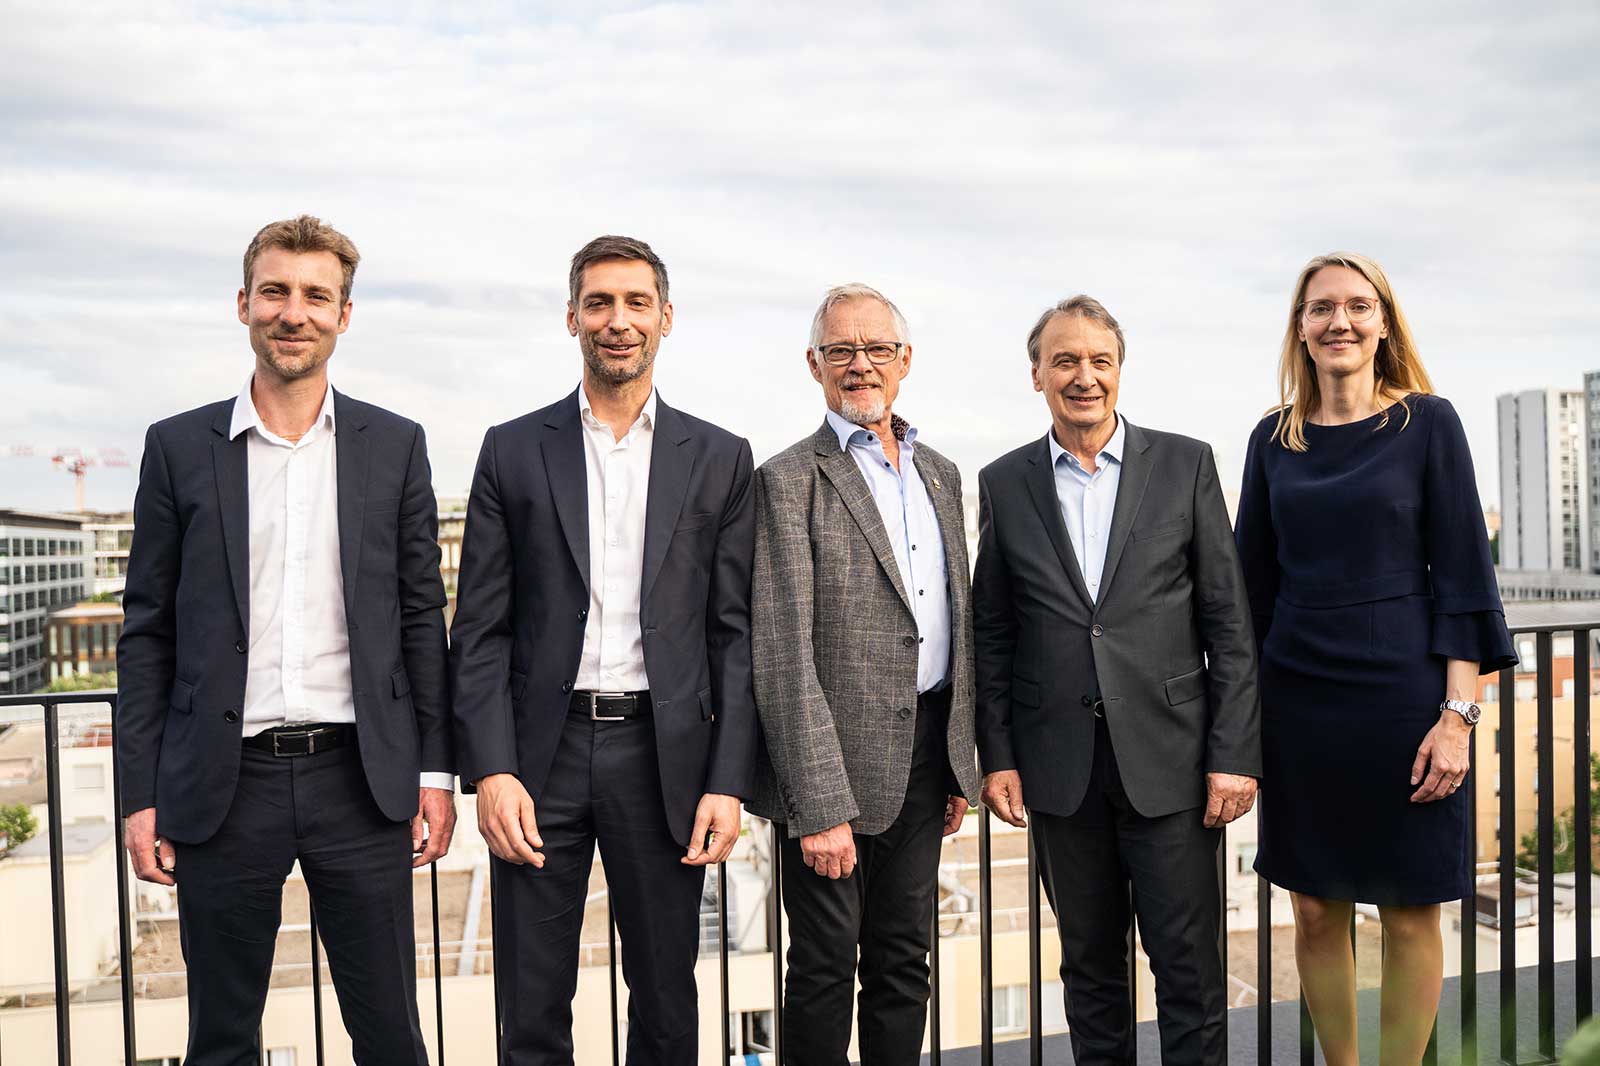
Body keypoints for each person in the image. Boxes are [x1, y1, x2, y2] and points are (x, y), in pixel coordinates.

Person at [116, 215, 455, 1064]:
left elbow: (423, 620)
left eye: (316, 295)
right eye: (275, 291)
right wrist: (138, 793)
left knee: (389, 1035)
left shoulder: (397, 445)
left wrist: (435, 773)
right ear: (243, 304)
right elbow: (146, 631)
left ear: (345, 314)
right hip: (223, 789)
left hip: (362, 783)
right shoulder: (177, 447)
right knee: (223, 1036)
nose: (293, 312)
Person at [448, 235, 757, 1065]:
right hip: (537, 762)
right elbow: (478, 627)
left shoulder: (721, 456)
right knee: (533, 1004)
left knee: (665, 1004)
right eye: (599, 304)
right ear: (572, 318)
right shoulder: (512, 448)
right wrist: (492, 769)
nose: (617, 322)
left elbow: (735, 635)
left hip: (667, 757)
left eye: (634, 304)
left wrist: (728, 779)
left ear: (665, 318)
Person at [1234, 252, 1515, 1066]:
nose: (1341, 322)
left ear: (1384, 322)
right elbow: (1250, 589)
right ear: (1301, 327)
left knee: (1409, 910)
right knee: (1316, 911)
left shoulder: (1429, 423)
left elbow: (1465, 575)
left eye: (1359, 306)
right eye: (1322, 309)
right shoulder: (1271, 439)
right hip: (1298, 704)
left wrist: (1458, 718)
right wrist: (1238, 724)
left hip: (1406, 702)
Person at [973, 295, 1260, 1066]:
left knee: (1190, 972)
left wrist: (1233, 751)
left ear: (1120, 371)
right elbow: (993, 632)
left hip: (1172, 766)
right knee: (1090, 974)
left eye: (1100, 360)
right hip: (1060, 770)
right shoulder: (1003, 483)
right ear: (1036, 375)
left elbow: (1228, 622)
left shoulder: (1186, 462)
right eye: (1065, 360)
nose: (1084, 376)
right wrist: (997, 755)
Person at [749, 283, 979, 1066]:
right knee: (821, 970)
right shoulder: (789, 479)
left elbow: (960, 625)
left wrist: (958, 761)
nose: (860, 365)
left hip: (923, 758)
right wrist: (818, 808)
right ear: (814, 364)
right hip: (831, 771)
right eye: (841, 350)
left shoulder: (942, 474)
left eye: (876, 348)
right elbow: (781, 653)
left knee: (902, 962)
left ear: (905, 360)